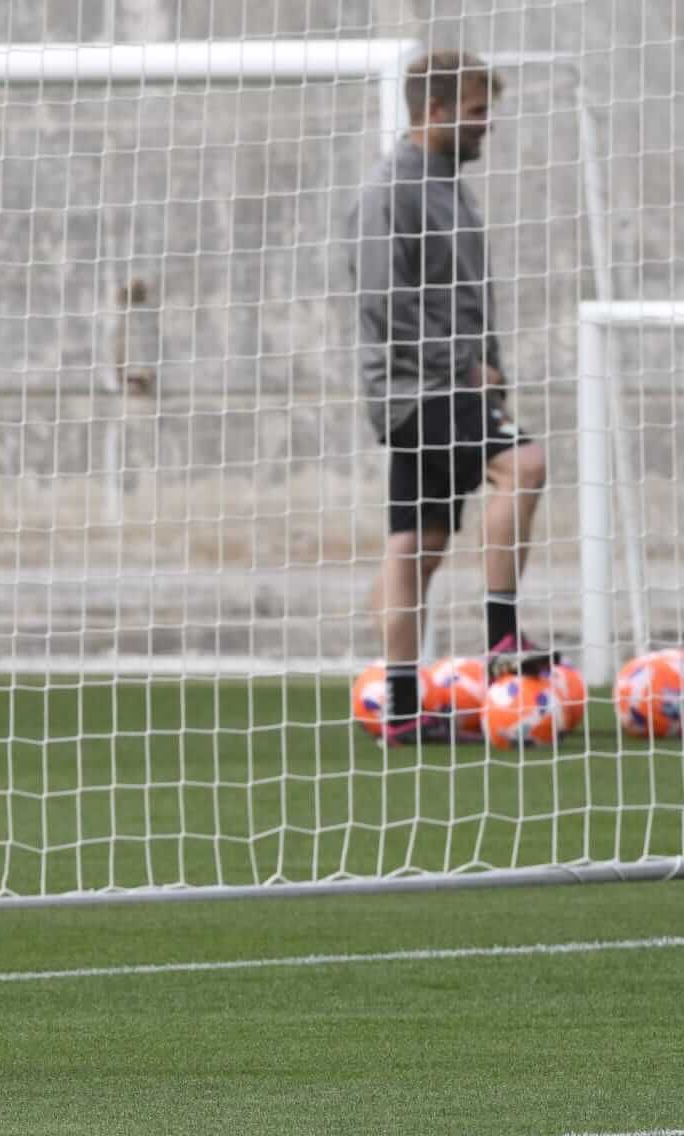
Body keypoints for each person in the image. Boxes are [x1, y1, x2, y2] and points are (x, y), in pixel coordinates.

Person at [350, 49, 553, 745]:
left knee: (418, 543)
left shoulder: (451, 186)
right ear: (434, 111)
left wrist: (493, 371)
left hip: (448, 382)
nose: (486, 124)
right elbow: (382, 300)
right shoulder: (390, 190)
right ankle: (502, 639)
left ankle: (402, 708)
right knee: (524, 465)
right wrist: (463, 368)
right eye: (475, 112)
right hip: (418, 386)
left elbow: (470, 298)